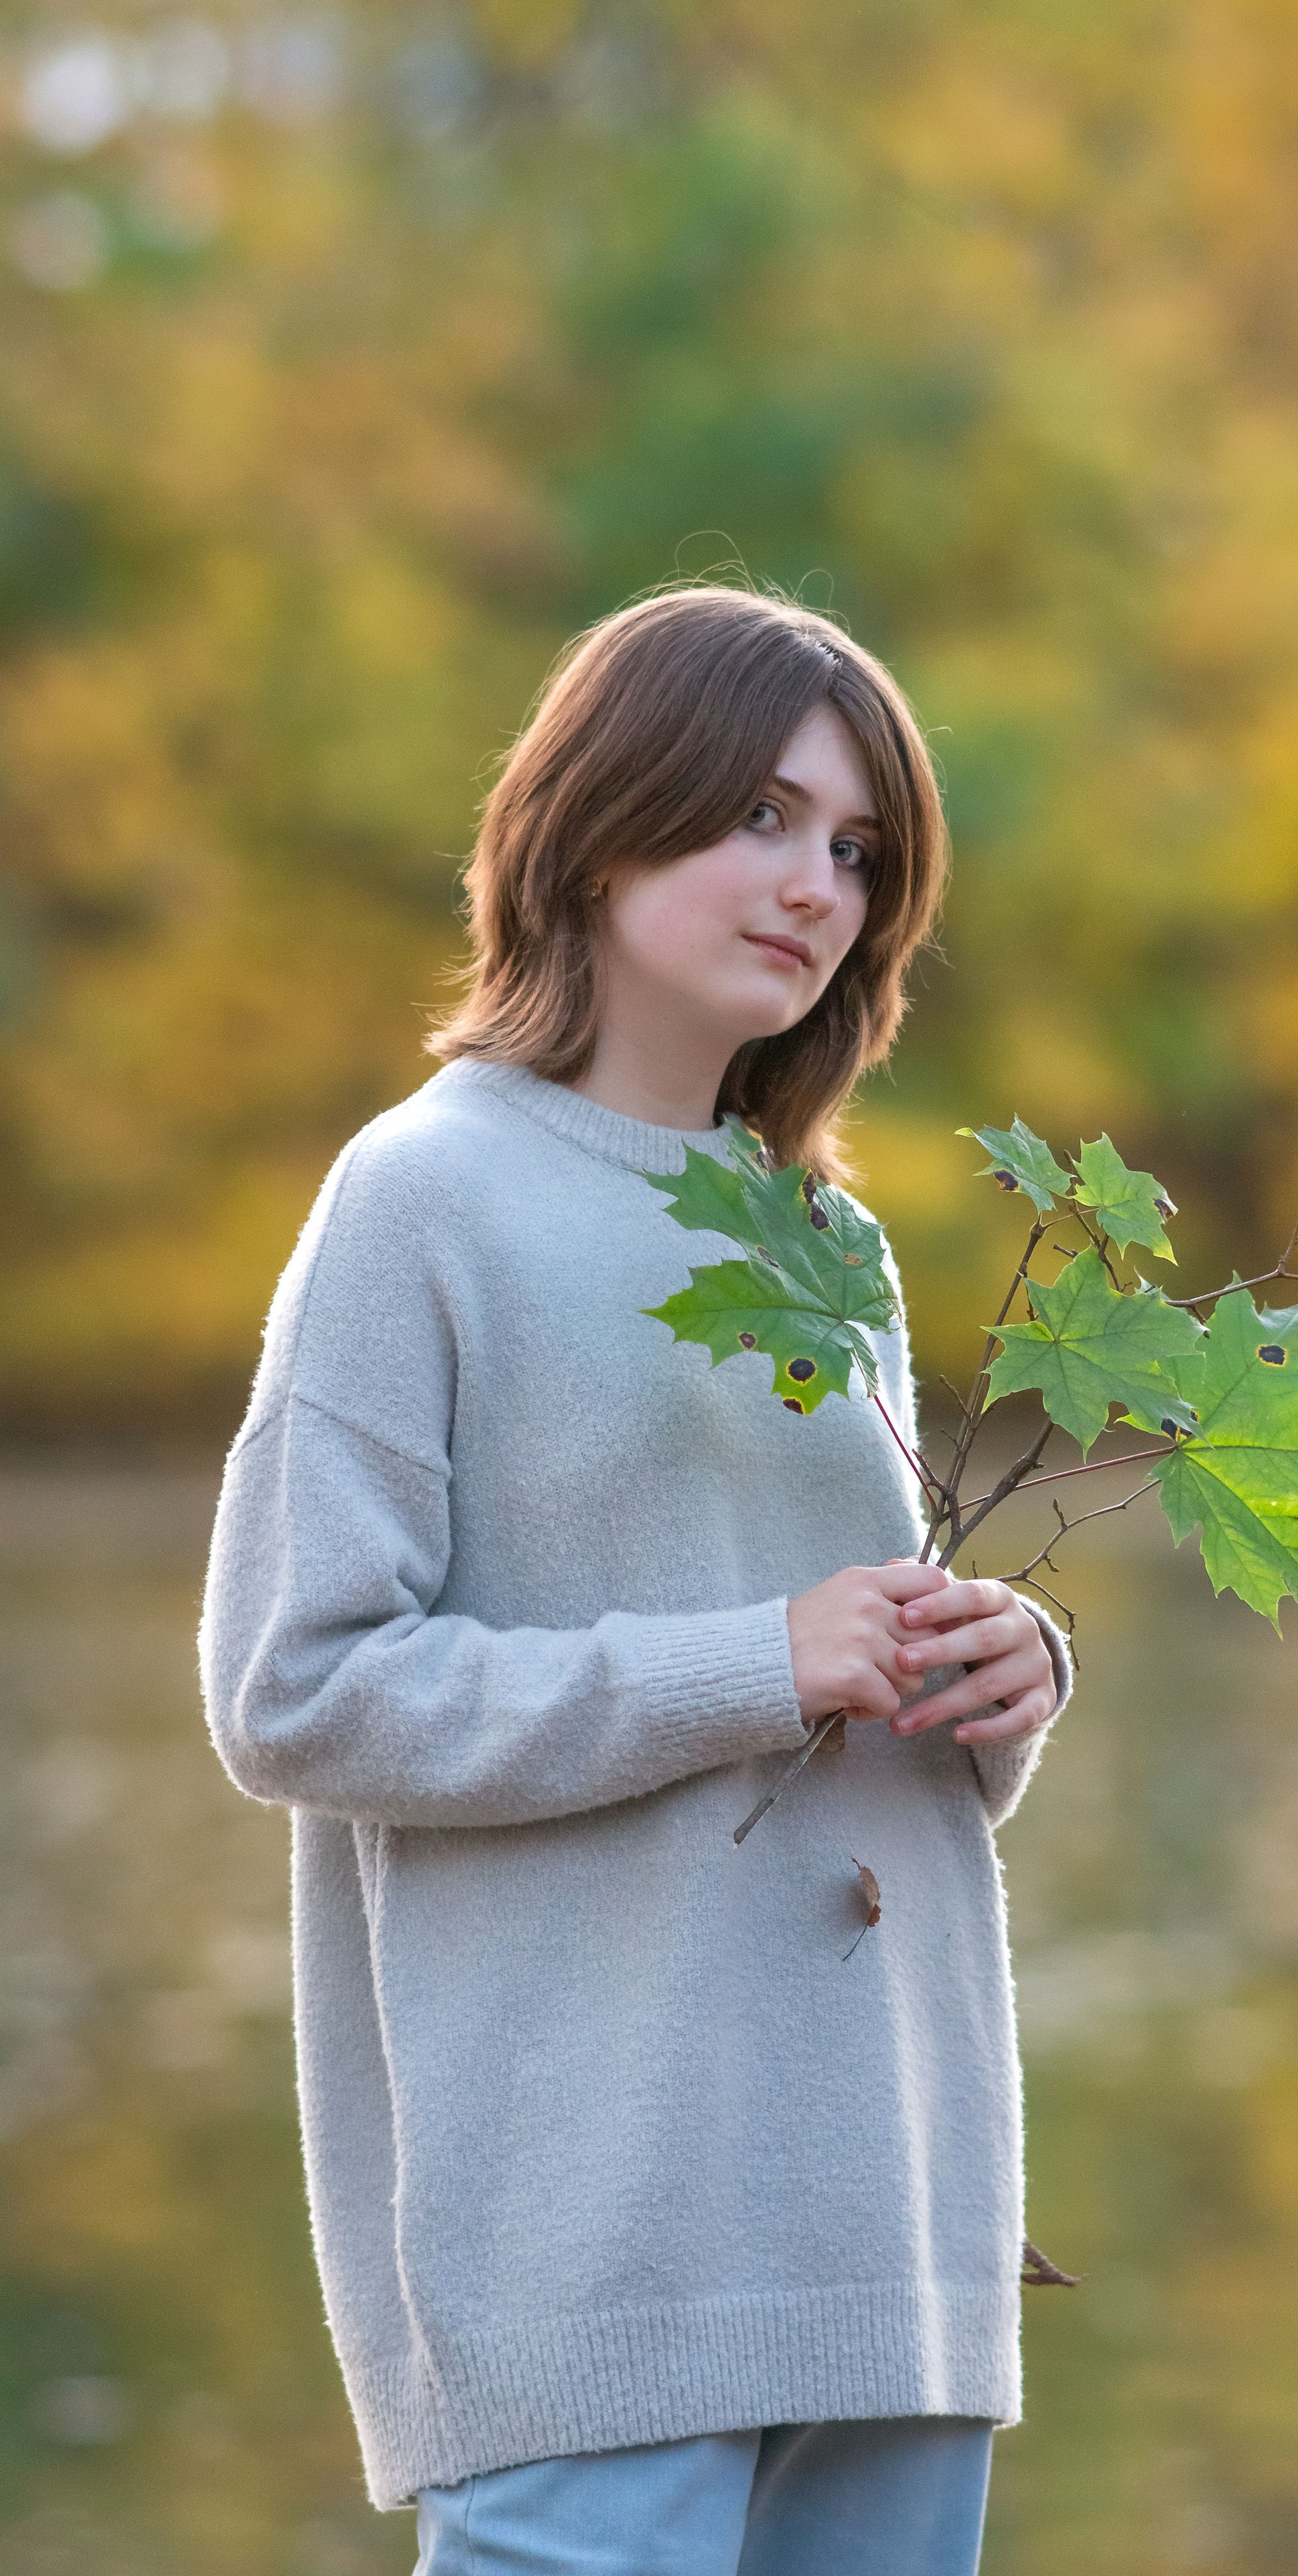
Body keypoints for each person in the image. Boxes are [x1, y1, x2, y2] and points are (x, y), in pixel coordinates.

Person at [199, 584, 1072, 2575]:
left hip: (889, 2205)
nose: (816, 886)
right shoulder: (423, 1198)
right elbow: (298, 1690)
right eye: (761, 815)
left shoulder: (828, 1244)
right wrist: (762, 1657)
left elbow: (851, 1700)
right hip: (597, 2239)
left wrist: (990, 1675)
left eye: (859, 852)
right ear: (601, 819)